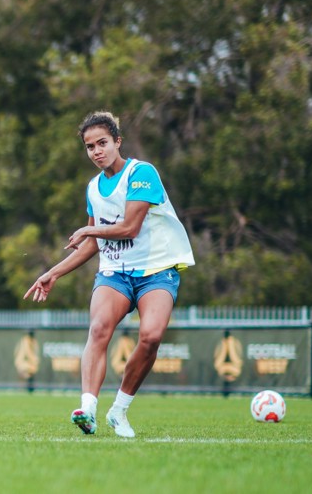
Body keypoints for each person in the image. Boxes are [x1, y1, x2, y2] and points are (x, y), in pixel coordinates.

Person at [24, 111, 194, 438]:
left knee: (152, 336)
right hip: (115, 272)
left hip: (156, 271)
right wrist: (53, 273)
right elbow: (92, 246)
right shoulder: (93, 188)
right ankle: (87, 410)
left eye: (102, 143)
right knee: (99, 328)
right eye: (90, 147)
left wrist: (90, 229)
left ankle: (119, 411)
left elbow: (129, 227)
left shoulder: (141, 173)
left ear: (117, 141)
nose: (96, 151)